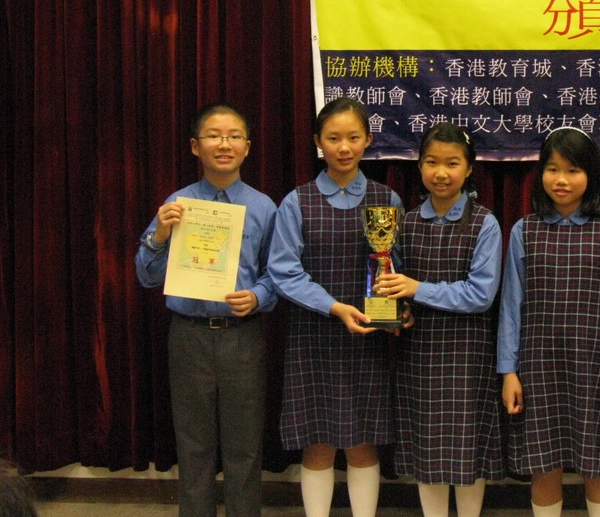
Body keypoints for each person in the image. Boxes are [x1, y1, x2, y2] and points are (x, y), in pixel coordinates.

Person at [135, 103, 277, 517]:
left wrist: (258, 296)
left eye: (234, 136)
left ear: (247, 147)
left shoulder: (265, 207)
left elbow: (278, 274)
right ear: (196, 146)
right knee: (193, 447)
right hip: (189, 336)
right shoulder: (178, 204)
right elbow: (146, 276)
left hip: (242, 337)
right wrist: (160, 236)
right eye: (214, 135)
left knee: (244, 449)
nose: (224, 144)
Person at [267, 97, 403, 517]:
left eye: (353, 137)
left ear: (368, 141)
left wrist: (398, 310)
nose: (344, 147)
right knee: (318, 441)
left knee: (363, 441)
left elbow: (396, 267)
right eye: (333, 138)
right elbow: (283, 271)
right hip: (314, 336)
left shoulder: (387, 200)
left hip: (368, 336)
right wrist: (333, 307)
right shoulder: (297, 201)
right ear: (317, 142)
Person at [498, 127, 600, 517]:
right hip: (537, 368)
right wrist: (508, 371)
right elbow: (511, 307)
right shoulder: (525, 231)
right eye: (553, 169)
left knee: (599, 467)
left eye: (573, 170)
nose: (562, 180)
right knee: (544, 466)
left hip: (595, 369)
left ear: (591, 174)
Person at [374, 123, 503, 517]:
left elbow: (480, 295)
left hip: (468, 356)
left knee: (468, 453)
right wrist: (397, 312)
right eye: (431, 162)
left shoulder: (485, 223)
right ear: (419, 166)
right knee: (426, 452)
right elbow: (395, 284)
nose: (441, 173)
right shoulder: (406, 222)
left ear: (469, 169)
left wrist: (417, 289)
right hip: (420, 355)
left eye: (452, 163)